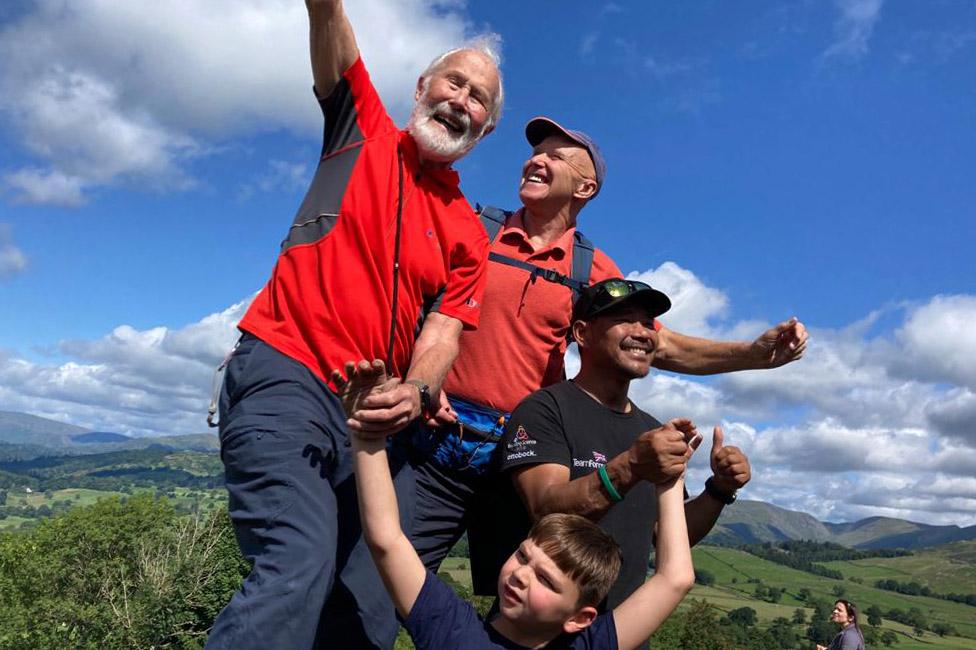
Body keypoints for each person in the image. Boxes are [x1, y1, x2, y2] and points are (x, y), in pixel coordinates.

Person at [205, 0, 503, 647]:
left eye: (479, 98)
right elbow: (329, 27)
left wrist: (419, 392)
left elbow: (444, 333)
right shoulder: (360, 122)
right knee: (299, 558)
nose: (462, 99)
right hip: (286, 371)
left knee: (372, 593)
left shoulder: (469, 237)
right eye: (454, 81)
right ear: (421, 88)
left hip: (369, 423)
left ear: (485, 129)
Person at [407, 116, 808, 590]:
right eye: (536, 153)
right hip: (436, 434)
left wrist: (754, 354)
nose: (536, 160)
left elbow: (659, 343)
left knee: (526, 602)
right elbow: (410, 300)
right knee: (380, 582)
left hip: (524, 451)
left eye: (555, 157)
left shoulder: (590, 267)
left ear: (585, 187)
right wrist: (414, 382)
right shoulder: (475, 229)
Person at [347, 356, 697, 649]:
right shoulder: (455, 632)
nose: (521, 576)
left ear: (581, 618)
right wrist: (368, 434)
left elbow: (675, 579)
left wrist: (671, 479)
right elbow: (387, 539)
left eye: (546, 580)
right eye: (523, 556)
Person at [479, 278, 753, 606]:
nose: (642, 332)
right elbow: (546, 511)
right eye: (623, 319)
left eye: (648, 323)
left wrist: (719, 490)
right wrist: (631, 466)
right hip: (537, 629)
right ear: (582, 333)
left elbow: (664, 535)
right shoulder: (544, 410)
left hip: (623, 631)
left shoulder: (649, 430)